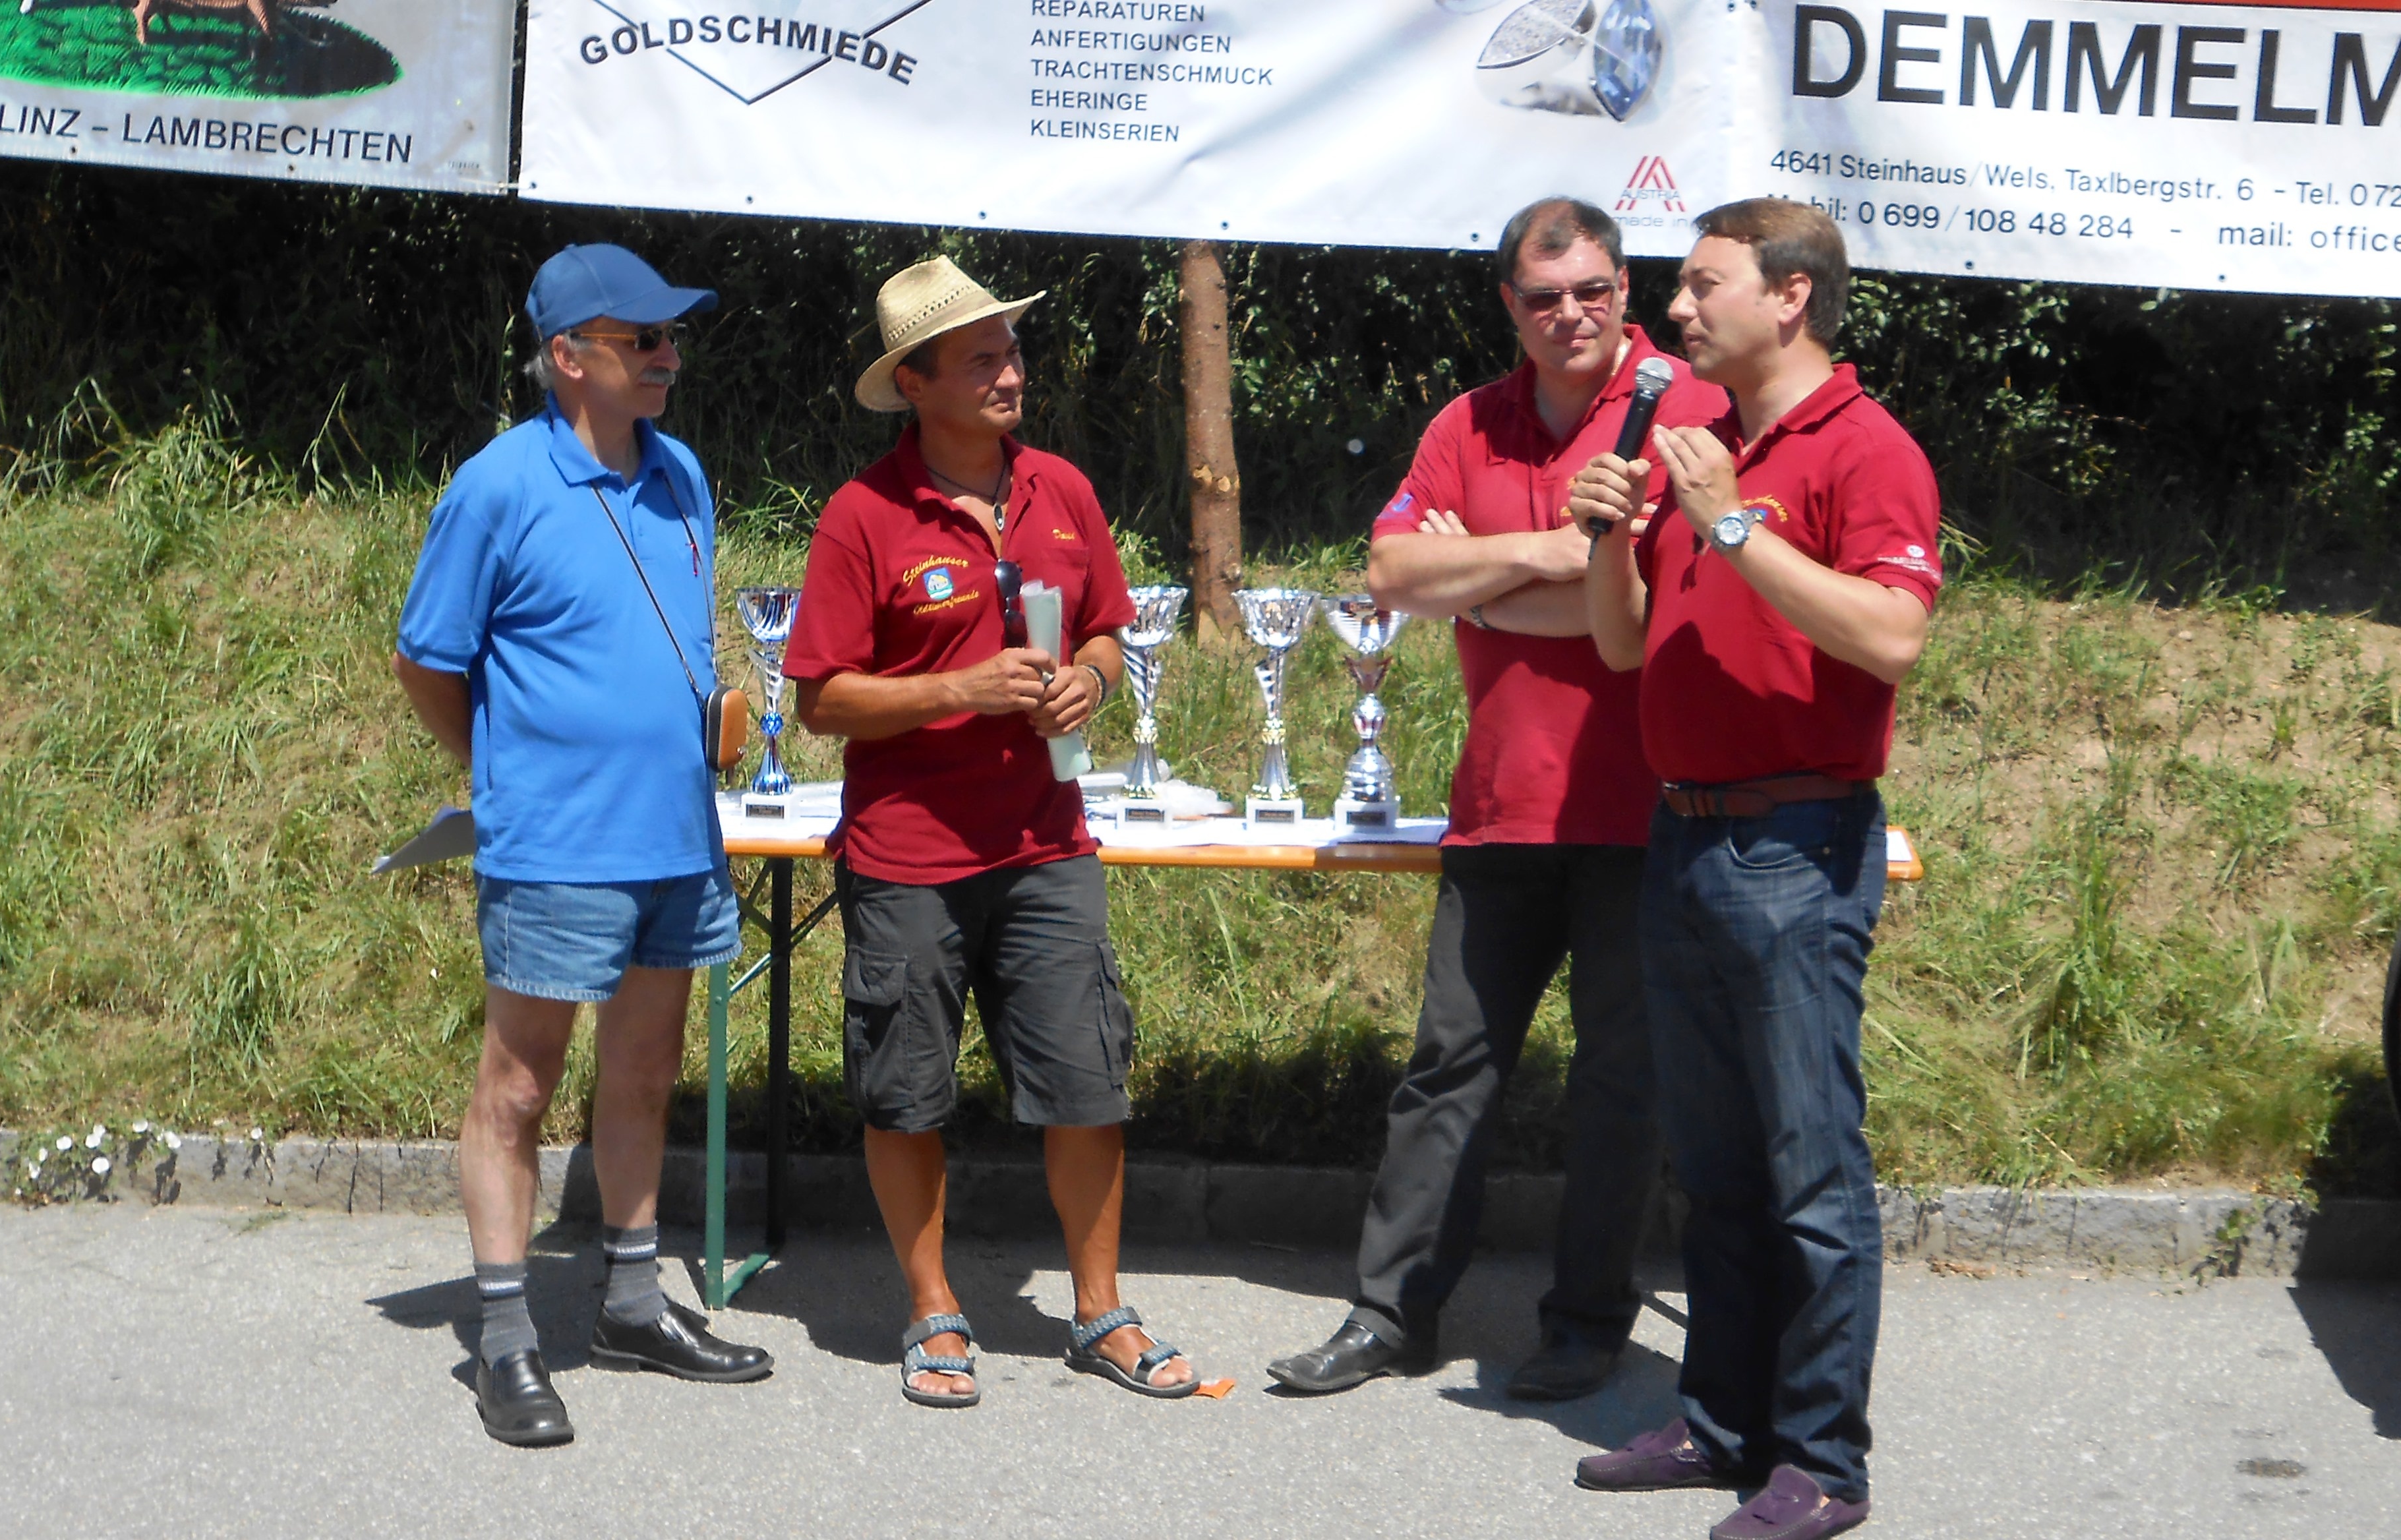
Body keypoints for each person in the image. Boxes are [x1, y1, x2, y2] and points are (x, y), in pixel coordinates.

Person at [1266, 199, 1725, 1400]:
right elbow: (1389, 572)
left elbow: (1637, 608)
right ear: (1510, 306)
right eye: (1544, 297)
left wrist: (1472, 579)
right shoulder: (1468, 420)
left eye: (1593, 291)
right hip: (1501, 808)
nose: (1571, 315)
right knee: (1447, 1069)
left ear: (1626, 290)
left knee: (1621, 1085)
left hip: (1647, 811)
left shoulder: (1687, 410)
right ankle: (1391, 1316)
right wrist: (1539, 555)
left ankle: (1585, 1325)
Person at [1565, 199, 1941, 1540]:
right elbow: (1621, 650)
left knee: (1807, 1174)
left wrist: (1730, 526)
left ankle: (1822, 1459)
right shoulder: (1699, 443)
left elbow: (1891, 637)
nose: (1674, 308)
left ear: (1789, 296)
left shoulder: (1866, 447)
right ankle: (1721, 1422)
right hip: (1681, 836)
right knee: (1715, 1165)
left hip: (1796, 846)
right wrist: (1610, 538)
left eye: (1701, 283)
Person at [783, 256, 1195, 1407]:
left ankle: (1100, 1312)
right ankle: (933, 1309)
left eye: (1011, 353)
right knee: (905, 1092)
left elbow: (1105, 631)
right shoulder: (863, 516)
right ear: (914, 385)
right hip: (908, 857)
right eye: (980, 361)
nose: (1010, 374)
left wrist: (1090, 685)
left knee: (1088, 1082)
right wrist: (956, 690)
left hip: (1047, 846)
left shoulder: (1063, 489)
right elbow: (821, 700)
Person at [394, 243, 775, 1450]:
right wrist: (506, 772)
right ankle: (506, 1339)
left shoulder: (683, 474)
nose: (668, 356)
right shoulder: (497, 487)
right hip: (556, 846)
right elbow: (426, 660)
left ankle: (630, 1305)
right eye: (641, 338)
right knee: (518, 1086)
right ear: (568, 357)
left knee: (646, 1072)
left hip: (677, 839)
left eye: (671, 336)